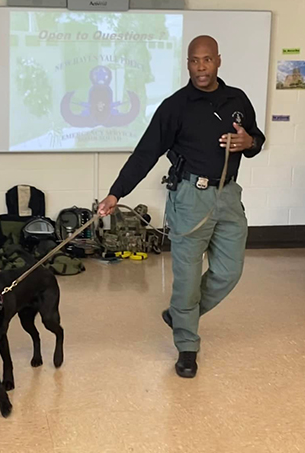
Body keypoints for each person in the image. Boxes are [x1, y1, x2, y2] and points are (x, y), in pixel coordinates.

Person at [97, 35, 265, 378]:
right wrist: (116, 193)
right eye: (194, 61)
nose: (201, 67)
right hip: (190, 197)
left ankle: (179, 314)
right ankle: (187, 345)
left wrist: (250, 142)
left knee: (229, 272)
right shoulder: (176, 106)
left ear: (218, 60)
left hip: (229, 196)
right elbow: (145, 153)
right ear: (187, 64)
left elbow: (255, 139)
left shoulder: (237, 99)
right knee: (187, 280)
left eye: (207, 60)